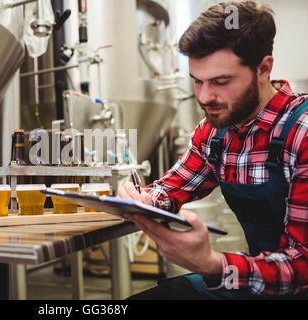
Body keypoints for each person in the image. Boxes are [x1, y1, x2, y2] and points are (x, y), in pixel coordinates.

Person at [117, 1, 308, 299]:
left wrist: (213, 264)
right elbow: (171, 188)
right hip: (261, 282)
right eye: (197, 82)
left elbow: (302, 266)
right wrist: (142, 198)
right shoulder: (214, 132)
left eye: (221, 82)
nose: (205, 97)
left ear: (263, 68)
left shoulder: (301, 134)